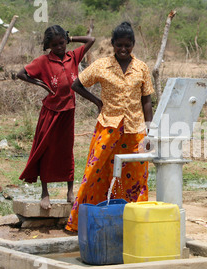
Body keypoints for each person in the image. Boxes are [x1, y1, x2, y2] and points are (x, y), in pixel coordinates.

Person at [65, 22, 154, 232]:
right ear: (112, 44)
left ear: (133, 44)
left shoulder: (141, 67)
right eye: (119, 45)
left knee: (136, 175)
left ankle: (134, 224)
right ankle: (85, 222)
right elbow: (76, 84)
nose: (123, 50)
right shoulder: (101, 65)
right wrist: (97, 102)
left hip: (135, 130)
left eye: (128, 45)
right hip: (108, 126)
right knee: (96, 171)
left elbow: (147, 100)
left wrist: (150, 130)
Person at [17, 25, 95, 209]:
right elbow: (21, 74)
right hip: (50, 112)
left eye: (62, 43)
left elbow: (91, 40)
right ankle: (45, 192)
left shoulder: (73, 56)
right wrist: (42, 85)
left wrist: (70, 37)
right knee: (46, 150)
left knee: (66, 151)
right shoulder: (43, 61)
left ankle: (70, 191)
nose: (60, 47)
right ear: (48, 45)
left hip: (68, 111)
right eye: (55, 44)